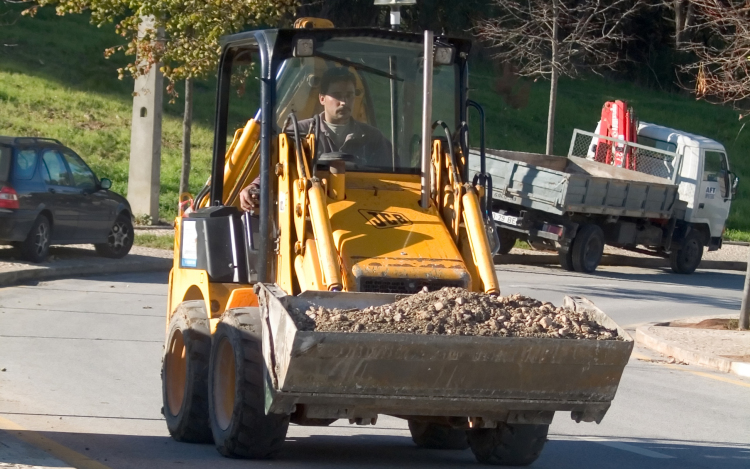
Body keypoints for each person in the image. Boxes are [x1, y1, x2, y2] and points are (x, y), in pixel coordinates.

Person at [240, 67, 391, 212]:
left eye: (349, 95)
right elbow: (278, 168)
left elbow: (392, 177)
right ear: (322, 98)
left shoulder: (372, 137)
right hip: (309, 213)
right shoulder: (297, 133)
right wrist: (255, 186)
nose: (344, 102)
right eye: (337, 95)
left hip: (362, 209)